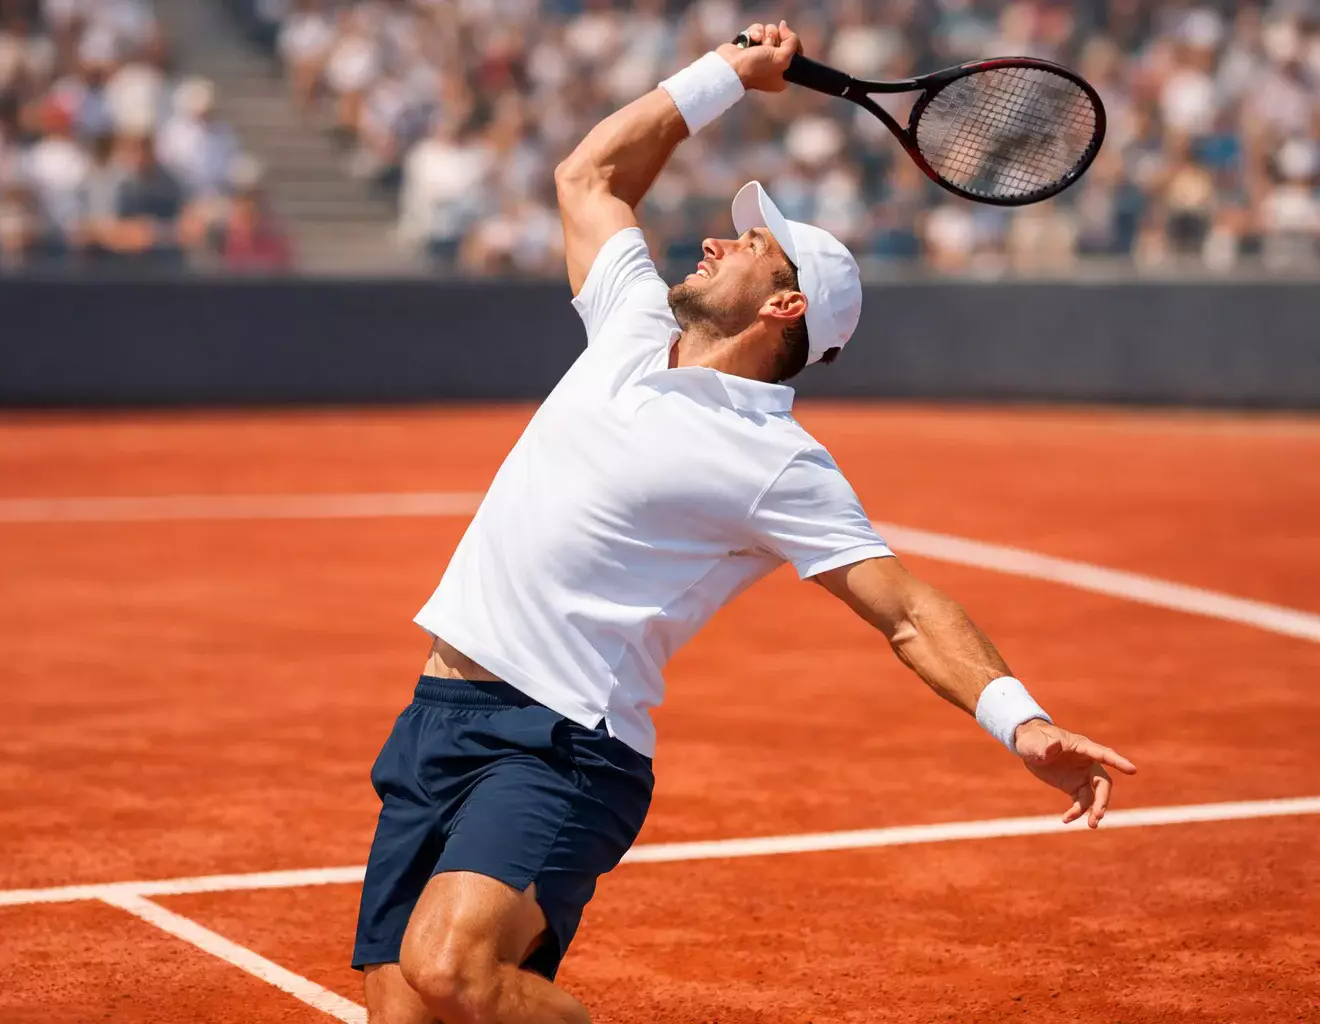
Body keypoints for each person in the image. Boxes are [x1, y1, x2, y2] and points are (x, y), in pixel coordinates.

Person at [352, 21, 1139, 1024]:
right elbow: (588, 176)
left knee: (452, 969)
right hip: (439, 712)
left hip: (562, 740)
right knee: (407, 1014)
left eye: (751, 247)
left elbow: (903, 608)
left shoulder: (778, 461)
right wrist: (725, 74)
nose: (716, 241)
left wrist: (1017, 717)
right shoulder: (634, 321)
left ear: (782, 310)